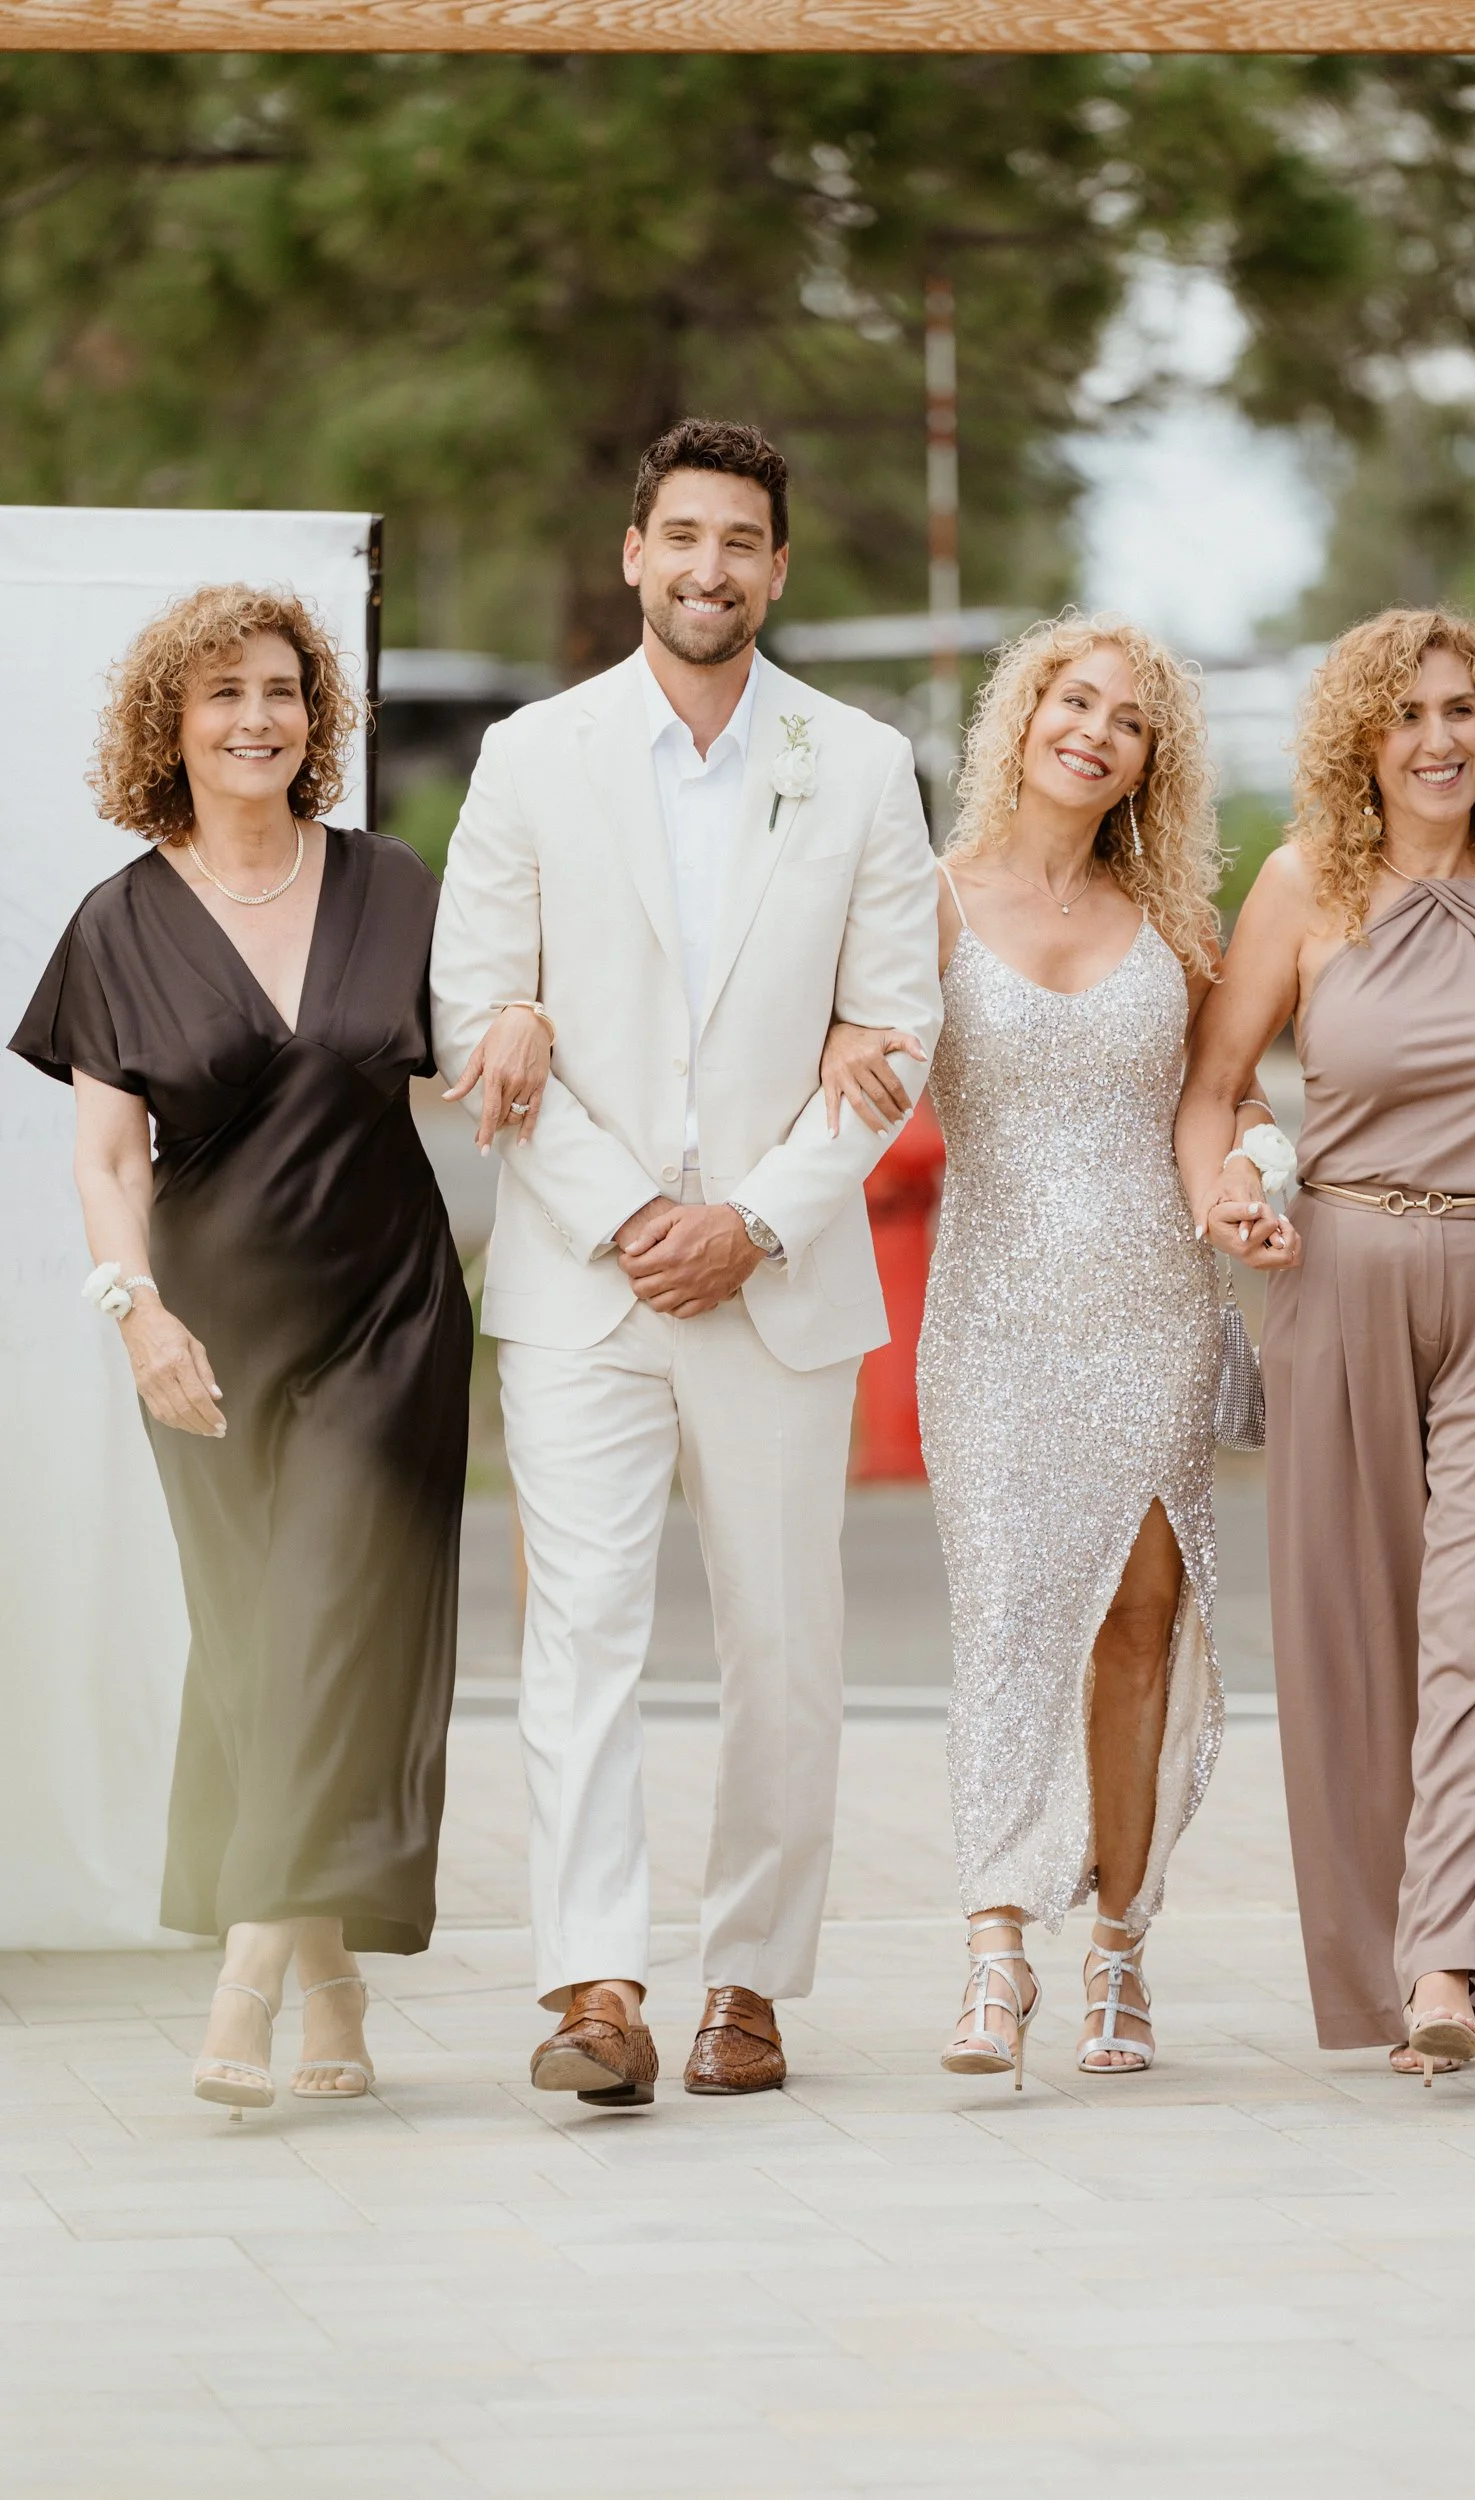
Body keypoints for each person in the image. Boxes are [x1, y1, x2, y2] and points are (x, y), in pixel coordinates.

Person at [430, 417, 942, 2105]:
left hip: (779, 1273)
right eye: (684, 537)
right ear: (633, 555)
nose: (711, 566)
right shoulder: (532, 755)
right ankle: (591, 1984)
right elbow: (476, 1006)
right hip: (588, 1279)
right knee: (580, 1627)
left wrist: (758, 1219)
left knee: (783, 1640)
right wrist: (634, 1219)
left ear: (777, 569)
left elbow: (897, 1031)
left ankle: (749, 1982)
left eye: (743, 541)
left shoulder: (858, 762)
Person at [9, 585, 472, 2111]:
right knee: (261, 1639)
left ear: (313, 717)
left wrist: (521, 1019)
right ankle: (334, 1976)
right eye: (221, 696)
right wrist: (132, 1312)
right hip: (203, 1341)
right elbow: (104, 1161)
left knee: (334, 1612)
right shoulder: (119, 920)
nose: (256, 718)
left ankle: (248, 1976)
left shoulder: (397, 887)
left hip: (387, 1318)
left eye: (280, 691)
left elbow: (481, 1046)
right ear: (173, 725)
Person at [824, 612, 1289, 2080]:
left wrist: (1246, 1183)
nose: (1093, 729)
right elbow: (851, 1045)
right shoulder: (929, 900)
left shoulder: (1179, 925)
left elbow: (1234, 1101)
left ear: (1152, 759)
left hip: (1151, 1304)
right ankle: (992, 1949)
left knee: (1138, 1627)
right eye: (1070, 699)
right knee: (1009, 1619)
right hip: (992, 1315)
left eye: (1128, 718)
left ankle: (1120, 1949)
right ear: (1022, 719)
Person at [1176, 608, 1475, 2083]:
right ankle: (1396, 1951)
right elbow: (1213, 1086)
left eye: (1462, 711)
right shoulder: (1306, 889)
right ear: (1357, 741)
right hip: (1346, 1272)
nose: (1438, 739)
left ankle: (1441, 1959)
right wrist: (1227, 1182)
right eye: (1407, 715)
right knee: (1353, 1638)